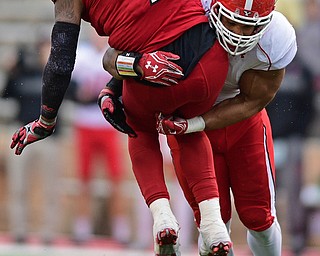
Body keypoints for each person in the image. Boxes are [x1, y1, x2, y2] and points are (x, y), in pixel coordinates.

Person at [9, 1, 231, 255]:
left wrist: (46, 120)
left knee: (140, 127)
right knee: (191, 130)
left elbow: (61, 63)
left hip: (153, 72)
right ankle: (214, 224)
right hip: (210, 59)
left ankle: (162, 217)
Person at [154, 0, 297, 255]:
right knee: (212, 222)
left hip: (243, 124)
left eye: (249, 27)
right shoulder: (185, 13)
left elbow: (253, 100)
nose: (239, 35)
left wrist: (194, 123)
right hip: (190, 131)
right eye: (232, 22)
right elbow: (120, 54)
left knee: (259, 218)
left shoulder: (276, 38)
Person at [70, 29, 131, 245]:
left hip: (109, 126)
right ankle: (82, 226)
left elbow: (125, 88)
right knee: (83, 178)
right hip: (84, 123)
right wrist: (79, 94)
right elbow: (69, 87)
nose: (99, 38)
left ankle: (120, 227)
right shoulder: (81, 55)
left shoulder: (114, 55)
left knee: (116, 178)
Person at [2, 36, 61, 245]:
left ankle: (48, 233)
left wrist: (53, 68)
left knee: (50, 187)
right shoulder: (22, 72)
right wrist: (11, 70)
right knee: (19, 185)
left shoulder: (58, 73)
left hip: (49, 137)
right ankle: (19, 230)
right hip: (22, 134)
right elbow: (7, 94)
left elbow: (73, 92)